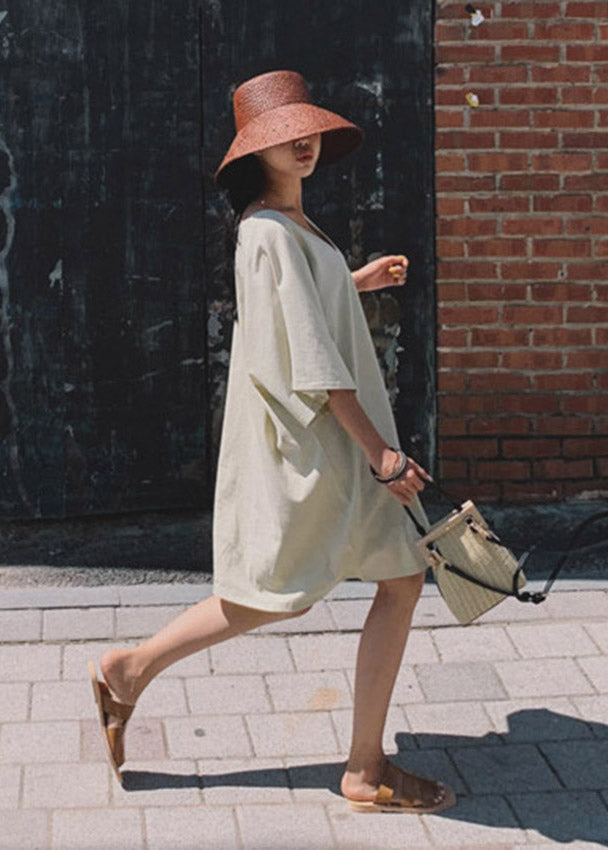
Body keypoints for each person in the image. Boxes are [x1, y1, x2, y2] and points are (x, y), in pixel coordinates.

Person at [88, 69, 456, 814]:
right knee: (276, 593)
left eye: (307, 130)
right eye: (285, 136)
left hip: (333, 441)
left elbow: (299, 311)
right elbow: (313, 361)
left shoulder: (289, 225)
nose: (303, 144)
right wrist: (381, 455)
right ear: (256, 150)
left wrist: (353, 281)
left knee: (399, 577)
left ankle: (365, 767)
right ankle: (130, 669)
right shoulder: (266, 231)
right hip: (320, 446)